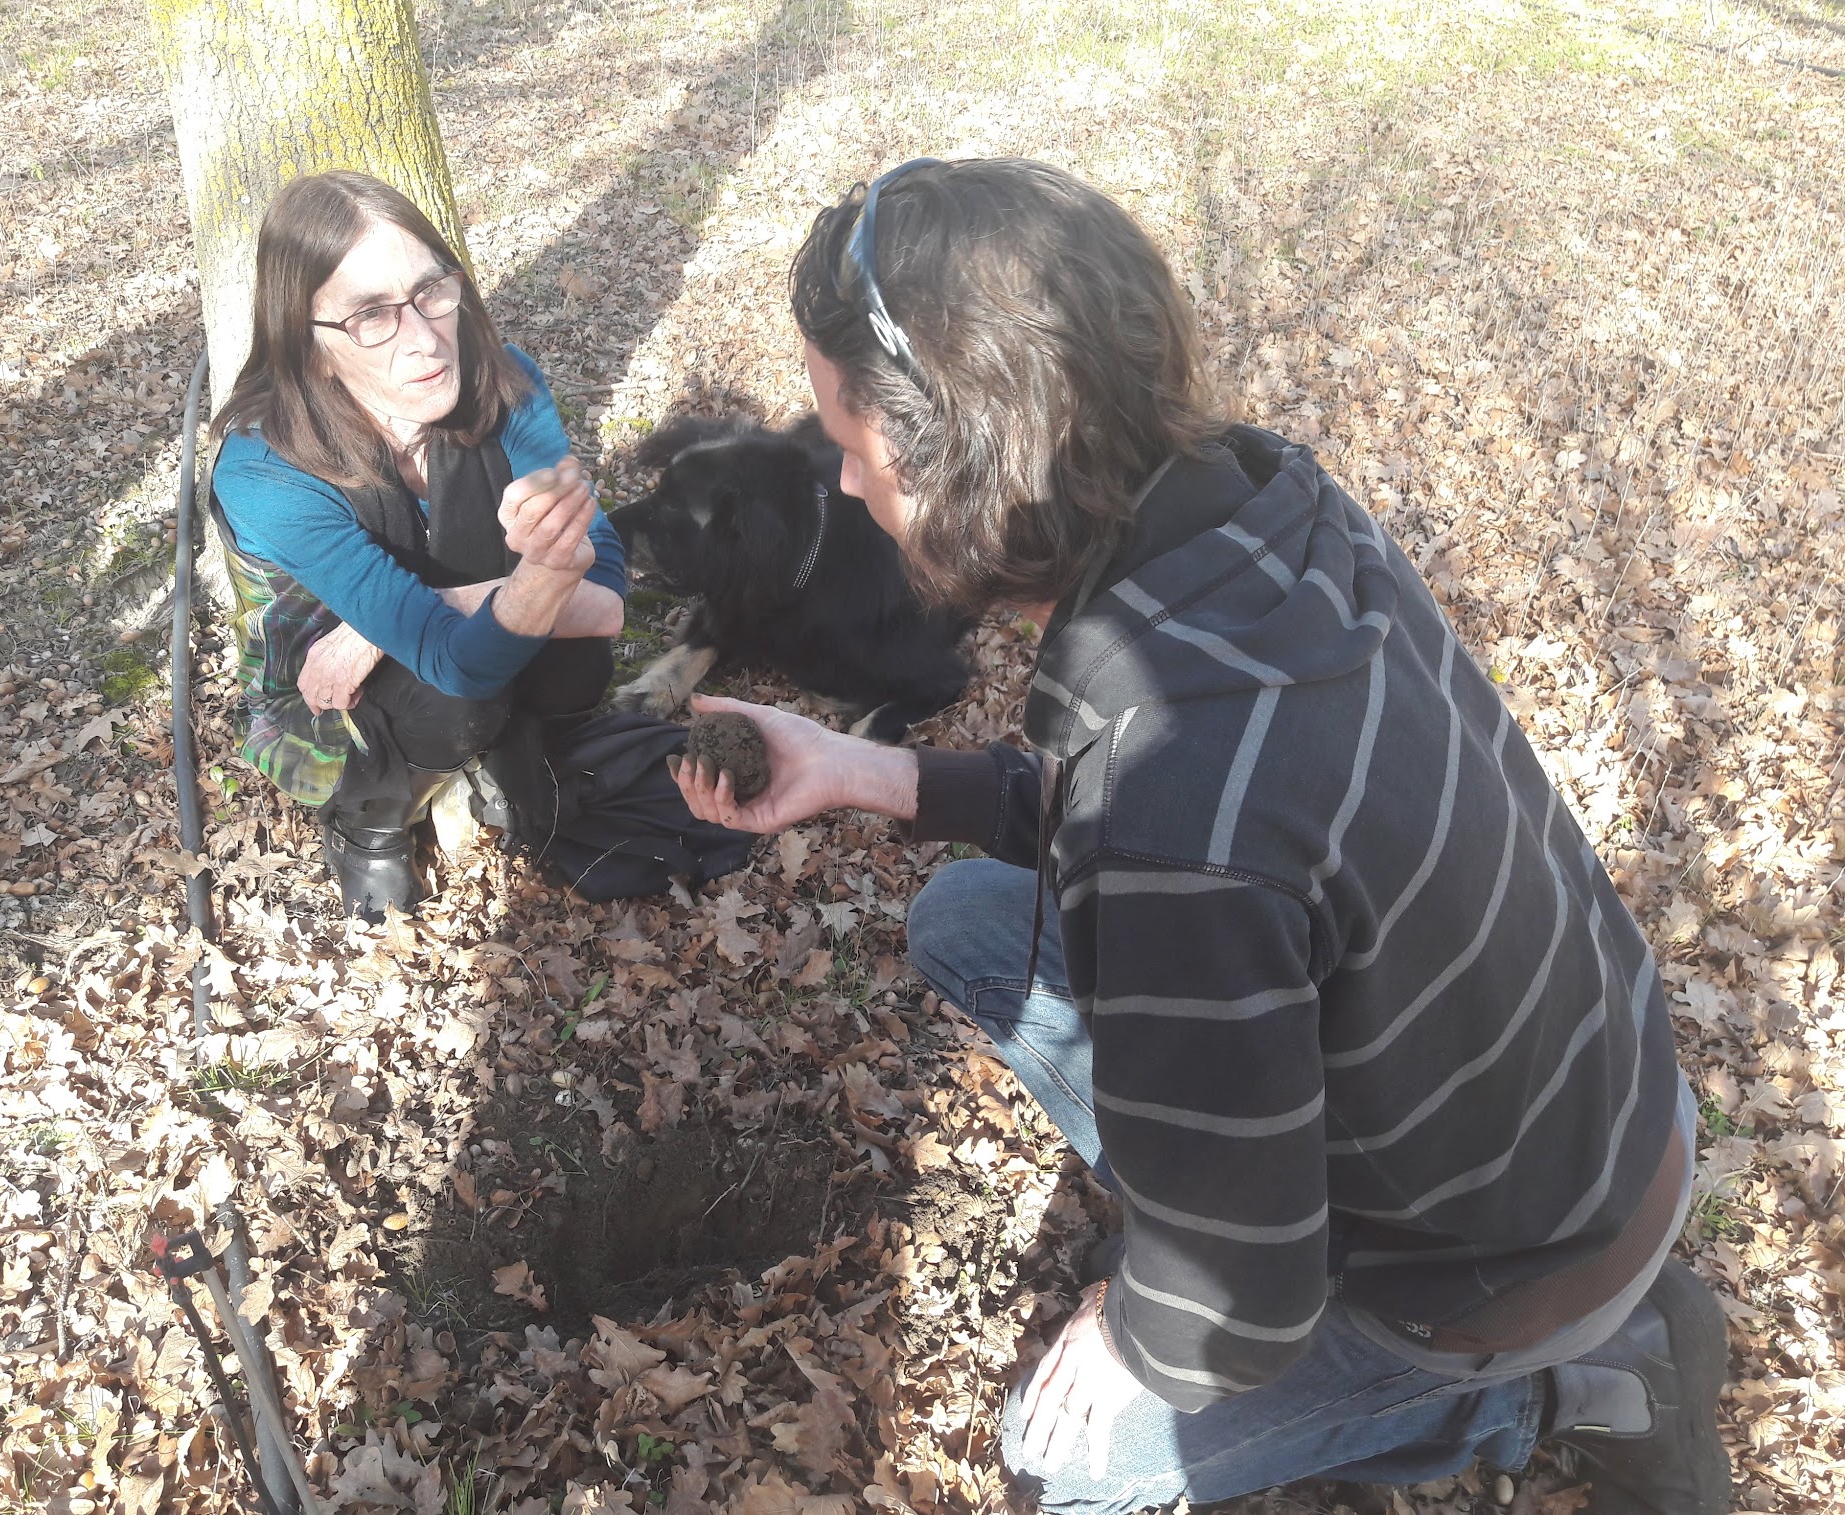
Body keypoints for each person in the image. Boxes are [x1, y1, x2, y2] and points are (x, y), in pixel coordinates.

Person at [673, 158, 1731, 1515]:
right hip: (1603, 1107)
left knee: (1061, 1465)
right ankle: (1239, 1203)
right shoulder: (1263, 507)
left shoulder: (1174, 810)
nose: (840, 475)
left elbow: (1243, 1306)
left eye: (847, 436)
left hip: (1510, 1262)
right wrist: (864, 771)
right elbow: (1188, 812)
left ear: (954, 457)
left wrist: (1141, 1328)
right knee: (969, 924)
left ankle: (1571, 1386)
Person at [209, 171, 626, 921]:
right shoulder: (266, 469)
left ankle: (508, 747)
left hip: (448, 636)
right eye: (371, 315)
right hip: (321, 692)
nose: (426, 339)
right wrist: (540, 579)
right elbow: (459, 664)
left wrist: (395, 621)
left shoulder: (506, 385)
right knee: (459, 697)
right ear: (310, 345)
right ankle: (371, 817)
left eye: (432, 291)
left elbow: (607, 607)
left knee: (576, 659)